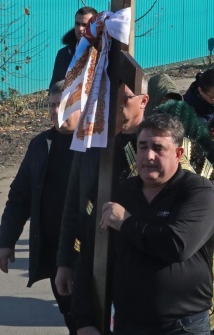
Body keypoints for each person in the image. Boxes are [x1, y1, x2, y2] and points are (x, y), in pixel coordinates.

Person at [74, 113, 214, 335]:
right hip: (128, 324)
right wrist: (84, 321)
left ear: (178, 153)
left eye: (158, 148)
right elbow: (90, 255)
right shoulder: (121, 193)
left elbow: (177, 245)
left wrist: (125, 222)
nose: (148, 155)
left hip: (182, 327)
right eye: (142, 146)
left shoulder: (197, 191)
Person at [55, 80, 150, 331]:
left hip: (139, 271)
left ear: (143, 101)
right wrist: (64, 261)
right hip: (92, 260)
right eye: (111, 97)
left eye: (126, 97)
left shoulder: (154, 149)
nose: (117, 105)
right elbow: (74, 200)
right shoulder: (91, 139)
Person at [0, 81, 81, 334]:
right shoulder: (40, 144)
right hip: (53, 250)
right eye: (52, 105)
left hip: (86, 251)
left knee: (89, 316)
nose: (56, 111)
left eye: (63, 105)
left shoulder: (95, 146)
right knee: (70, 313)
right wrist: (6, 241)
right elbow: (19, 196)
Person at [50, 6, 98, 88]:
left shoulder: (103, 54)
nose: (80, 28)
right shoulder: (63, 54)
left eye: (84, 25)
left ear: (95, 27)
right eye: (77, 24)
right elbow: (54, 88)